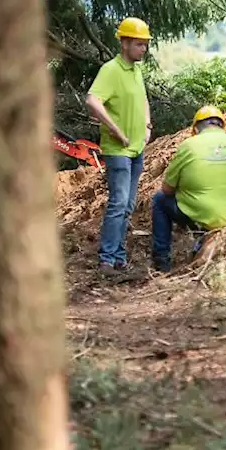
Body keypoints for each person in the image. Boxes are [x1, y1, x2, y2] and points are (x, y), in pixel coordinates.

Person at [151, 106, 226, 272]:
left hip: (209, 217)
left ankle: (161, 262)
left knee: (159, 200)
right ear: (221, 126)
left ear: (197, 128)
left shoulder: (189, 145)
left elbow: (167, 190)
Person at [85, 17, 153, 275]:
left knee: (128, 205)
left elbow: (143, 98)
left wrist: (147, 125)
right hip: (118, 151)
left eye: (145, 44)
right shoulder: (111, 70)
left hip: (136, 150)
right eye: (139, 44)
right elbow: (92, 100)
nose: (143, 49)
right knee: (118, 203)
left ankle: (118, 257)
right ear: (124, 43)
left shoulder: (136, 71)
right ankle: (106, 260)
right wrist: (114, 129)